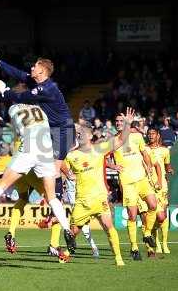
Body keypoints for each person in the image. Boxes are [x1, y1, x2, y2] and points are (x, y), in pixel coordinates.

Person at [0, 103, 76, 252]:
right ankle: (59, 239)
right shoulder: (44, 111)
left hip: (23, 159)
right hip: (41, 157)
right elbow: (58, 152)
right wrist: (67, 172)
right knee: (53, 199)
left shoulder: (14, 110)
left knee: (16, 195)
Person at [0, 51, 75, 224]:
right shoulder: (37, 82)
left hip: (62, 131)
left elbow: (20, 97)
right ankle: (57, 201)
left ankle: (56, 208)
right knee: (48, 169)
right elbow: (17, 73)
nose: (32, 67)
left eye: (35, 66)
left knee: (54, 170)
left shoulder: (46, 89)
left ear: (42, 71)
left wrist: (4, 91)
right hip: (49, 130)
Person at [64, 108, 136, 266]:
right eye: (78, 134)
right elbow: (59, 166)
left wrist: (128, 124)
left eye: (82, 133)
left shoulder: (99, 149)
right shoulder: (71, 155)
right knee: (72, 232)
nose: (79, 135)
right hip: (82, 201)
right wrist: (68, 174)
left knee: (109, 227)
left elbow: (120, 141)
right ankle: (67, 252)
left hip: (100, 199)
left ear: (90, 135)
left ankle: (118, 258)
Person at [113, 114, 158, 260]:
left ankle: (147, 233)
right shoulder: (114, 141)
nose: (118, 123)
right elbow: (100, 158)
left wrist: (149, 166)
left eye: (121, 121)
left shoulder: (137, 136)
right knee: (132, 215)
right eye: (117, 121)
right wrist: (111, 165)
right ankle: (134, 247)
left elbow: (145, 153)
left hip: (142, 179)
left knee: (153, 205)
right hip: (127, 182)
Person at [146, 127, 174, 254]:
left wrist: (169, 170)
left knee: (162, 216)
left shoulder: (165, 150)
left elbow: (168, 165)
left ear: (158, 135)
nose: (151, 136)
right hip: (148, 186)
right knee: (154, 215)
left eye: (153, 134)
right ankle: (156, 243)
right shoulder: (144, 149)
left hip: (162, 186)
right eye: (149, 134)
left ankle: (165, 243)